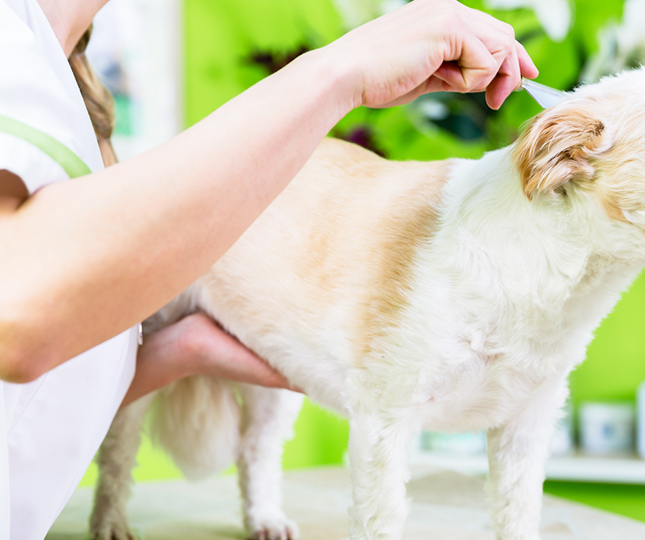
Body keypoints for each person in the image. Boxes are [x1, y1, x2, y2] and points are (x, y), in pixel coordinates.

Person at [0, 0, 538, 537]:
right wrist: (340, 71)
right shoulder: (12, 43)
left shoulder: (65, 86)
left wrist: (189, 348)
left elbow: (48, 381)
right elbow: (16, 316)